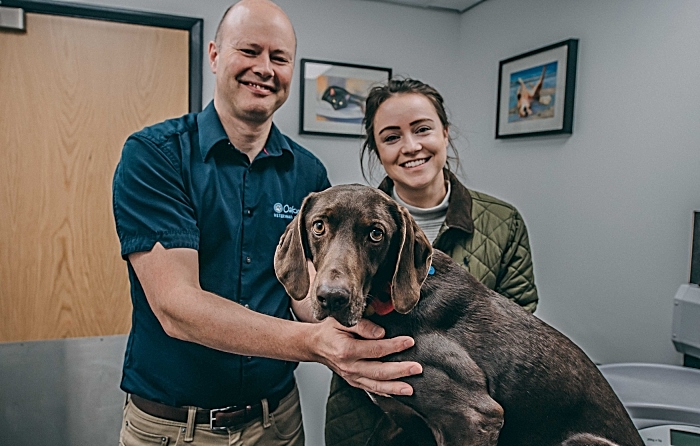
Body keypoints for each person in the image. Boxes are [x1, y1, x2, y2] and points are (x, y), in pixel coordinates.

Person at [112, 2, 421, 445]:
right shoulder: (155, 156)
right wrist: (316, 344)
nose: (264, 68)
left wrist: (365, 326)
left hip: (277, 423)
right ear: (215, 55)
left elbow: (307, 296)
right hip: (176, 428)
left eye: (279, 58)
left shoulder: (309, 176)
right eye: (249, 51)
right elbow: (177, 307)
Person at [325, 78, 539, 445]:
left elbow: (517, 330)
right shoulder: (340, 226)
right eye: (391, 137)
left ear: (445, 133)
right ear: (376, 149)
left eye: (422, 129)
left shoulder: (503, 223)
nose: (410, 147)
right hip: (366, 417)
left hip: (464, 423)